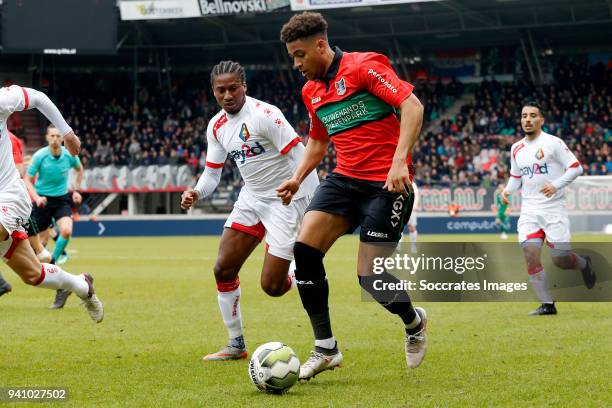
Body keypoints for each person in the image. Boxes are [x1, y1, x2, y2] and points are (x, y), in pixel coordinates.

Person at [278, 12, 426, 381]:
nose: (296, 64)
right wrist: (298, 178)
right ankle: (326, 348)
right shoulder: (311, 91)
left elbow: (413, 107)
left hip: (387, 185)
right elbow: (318, 140)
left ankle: (414, 322)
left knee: (369, 278)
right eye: (292, 57)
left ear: (321, 45)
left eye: (300, 55)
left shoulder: (364, 67)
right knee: (305, 252)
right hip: (344, 180)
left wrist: (399, 163)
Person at [180, 60, 319, 361]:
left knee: (272, 287)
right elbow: (212, 173)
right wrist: (196, 191)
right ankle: (236, 345)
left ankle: (295, 270)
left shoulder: (266, 115)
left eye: (233, 88)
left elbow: (301, 156)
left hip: (286, 200)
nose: (228, 95)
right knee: (223, 268)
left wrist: (306, 200)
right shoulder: (216, 126)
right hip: (251, 199)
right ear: (214, 93)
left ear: (244, 86)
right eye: (221, 90)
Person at [0, 85, 103, 322]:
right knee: (33, 274)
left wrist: (67, 133)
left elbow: (38, 97)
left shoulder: (2, 100)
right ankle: (81, 285)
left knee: (62, 232)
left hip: (8, 196)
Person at [502, 101, 595, 315]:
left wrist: (555, 185)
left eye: (533, 115)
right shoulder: (516, 148)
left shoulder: (553, 143)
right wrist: (508, 190)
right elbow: (516, 176)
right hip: (529, 211)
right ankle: (547, 304)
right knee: (530, 254)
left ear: (541, 120)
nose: (527, 119)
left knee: (560, 259)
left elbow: (576, 168)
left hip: (554, 210)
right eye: (524, 116)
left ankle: (583, 264)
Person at [24, 124, 84, 309]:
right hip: (42, 201)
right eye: (53, 136)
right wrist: (36, 197)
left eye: (59, 136)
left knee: (66, 230)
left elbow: (79, 169)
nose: (56, 139)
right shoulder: (40, 156)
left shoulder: (68, 155)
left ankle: (55, 265)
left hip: (61, 200)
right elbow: (27, 179)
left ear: (63, 139)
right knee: (40, 249)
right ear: (47, 137)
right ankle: (53, 271)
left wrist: (76, 190)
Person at [0, 131, 24, 297]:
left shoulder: (11, 139)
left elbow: (19, 170)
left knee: (41, 249)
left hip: (11, 202)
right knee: (33, 274)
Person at [407, 182, 419, 253]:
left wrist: (414, 206)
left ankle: (413, 246)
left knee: (411, 227)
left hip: (411, 209)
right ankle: (397, 247)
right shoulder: (400, 180)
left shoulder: (413, 184)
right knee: (398, 227)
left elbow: (416, 195)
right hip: (401, 207)